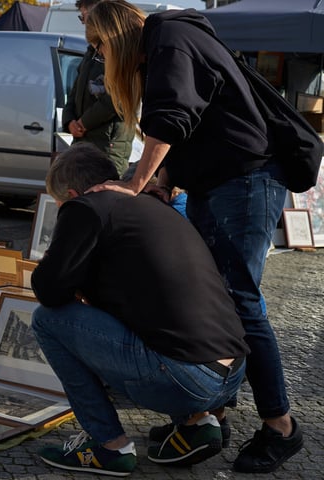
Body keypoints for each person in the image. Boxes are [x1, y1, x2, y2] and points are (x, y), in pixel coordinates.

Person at [84, 1, 304, 473]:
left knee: (239, 302)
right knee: (214, 300)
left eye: (98, 44)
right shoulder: (165, 44)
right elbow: (196, 121)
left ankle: (280, 426)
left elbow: (173, 116)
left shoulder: (169, 37)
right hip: (220, 183)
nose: (99, 55)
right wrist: (166, 180)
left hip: (246, 180)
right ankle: (211, 415)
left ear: (117, 34)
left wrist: (135, 182)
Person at [31, 143, 249, 476]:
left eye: (60, 204)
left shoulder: (85, 207)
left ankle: (109, 446)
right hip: (232, 375)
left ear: (73, 194)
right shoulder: (148, 204)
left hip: (188, 379)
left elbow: (47, 290)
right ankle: (194, 422)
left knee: (46, 320)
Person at [61, 0, 134, 176]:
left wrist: (84, 122)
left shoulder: (120, 51)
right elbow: (75, 91)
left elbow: (118, 98)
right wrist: (69, 121)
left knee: (104, 195)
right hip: (83, 142)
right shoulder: (91, 51)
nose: (84, 22)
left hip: (108, 145)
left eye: (85, 16)